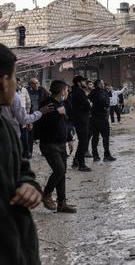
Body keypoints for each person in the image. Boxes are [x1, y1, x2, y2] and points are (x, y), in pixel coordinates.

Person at [0, 44, 43, 265]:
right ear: (4, 81)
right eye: (15, 77)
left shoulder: (5, 127)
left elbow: (22, 169)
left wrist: (29, 186)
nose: (17, 84)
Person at [36, 80, 76, 213]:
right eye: (66, 89)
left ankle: (62, 203)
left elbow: (65, 123)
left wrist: (70, 138)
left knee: (62, 172)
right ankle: (46, 194)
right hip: (49, 144)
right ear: (61, 91)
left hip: (61, 143)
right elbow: (42, 124)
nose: (67, 92)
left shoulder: (61, 104)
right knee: (59, 170)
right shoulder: (47, 105)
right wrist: (56, 114)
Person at [89, 79, 116, 162]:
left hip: (93, 118)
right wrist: (105, 105)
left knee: (95, 137)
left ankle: (95, 156)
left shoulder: (92, 92)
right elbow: (104, 102)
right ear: (99, 84)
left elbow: (90, 99)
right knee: (105, 137)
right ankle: (106, 155)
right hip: (102, 117)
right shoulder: (101, 92)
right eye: (102, 83)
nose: (104, 84)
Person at [69, 75, 92, 172]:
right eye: (83, 81)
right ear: (79, 83)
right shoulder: (79, 92)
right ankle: (81, 165)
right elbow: (87, 105)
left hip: (77, 119)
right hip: (82, 119)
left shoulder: (73, 92)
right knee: (83, 141)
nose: (85, 83)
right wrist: (89, 104)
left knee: (82, 141)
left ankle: (76, 161)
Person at [26, 77, 49, 157]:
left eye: (37, 83)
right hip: (31, 116)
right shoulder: (26, 91)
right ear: (30, 84)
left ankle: (44, 151)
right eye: (34, 83)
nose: (36, 85)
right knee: (30, 135)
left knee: (43, 135)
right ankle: (29, 152)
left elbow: (48, 99)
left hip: (41, 115)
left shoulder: (42, 90)